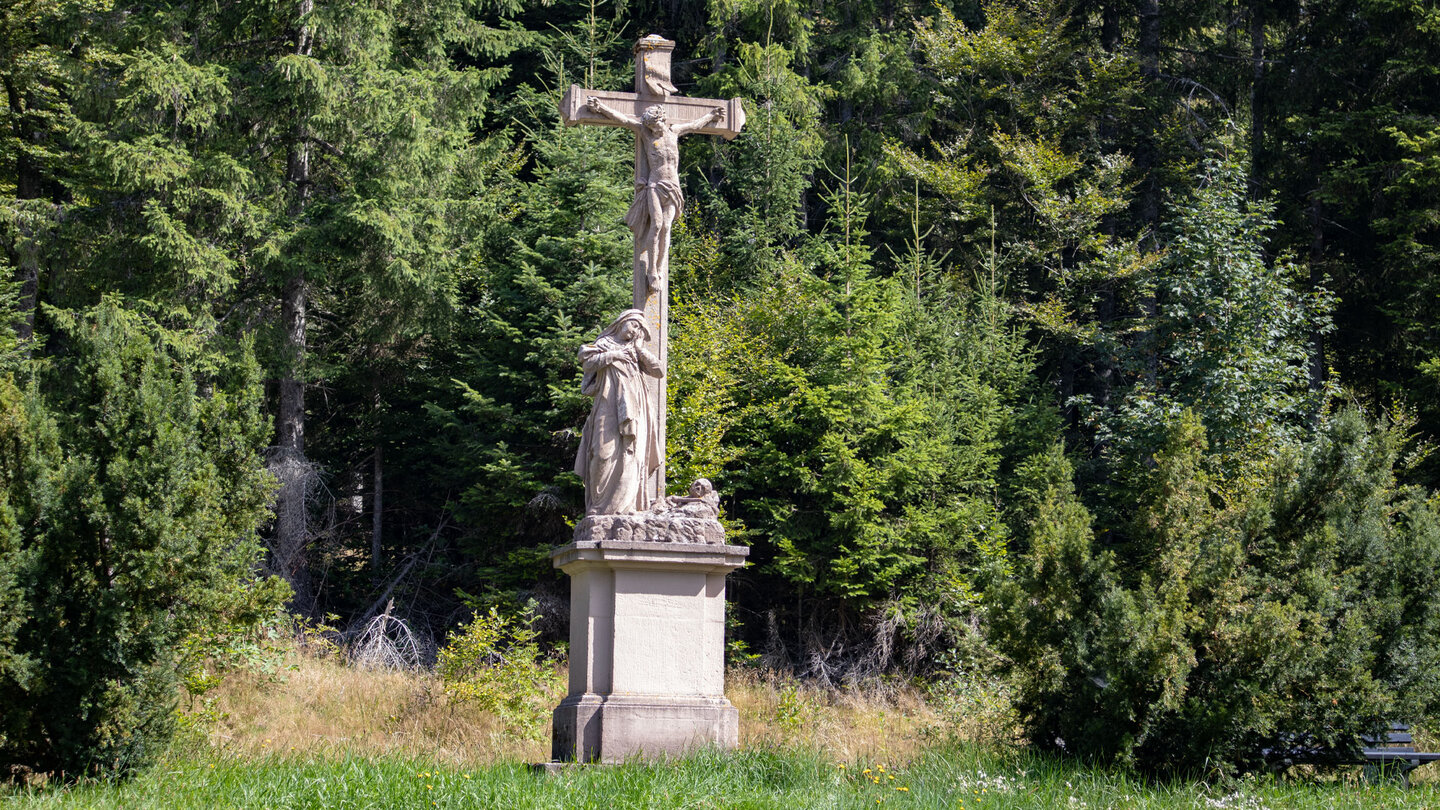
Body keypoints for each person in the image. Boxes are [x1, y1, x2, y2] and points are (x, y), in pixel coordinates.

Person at [585, 97, 725, 293]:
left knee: (667, 227)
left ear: (662, 119)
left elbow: (695, 125)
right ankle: (651, 270)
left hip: (673, 187)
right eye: (650, 126)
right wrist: (601, 107)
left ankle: (659, 269)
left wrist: (712, 115)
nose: (653, 129)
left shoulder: (674, 131)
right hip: (655, 185)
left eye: (655, 125)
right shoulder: (646, 134)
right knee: (657, 224)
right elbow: (624, 120)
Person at [574, 309, 664, 515]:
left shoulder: (635, 350)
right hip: (607, 402)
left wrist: (639, 349)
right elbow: (587, 363)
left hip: (635, 405)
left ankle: (626, 507)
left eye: (638, 329)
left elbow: (658, 371)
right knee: (601, 452)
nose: (634, 331)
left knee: (631, 454)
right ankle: (598, 507)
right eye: (633, 325)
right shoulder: (604, 343)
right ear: (622, 322)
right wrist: (614, 355)